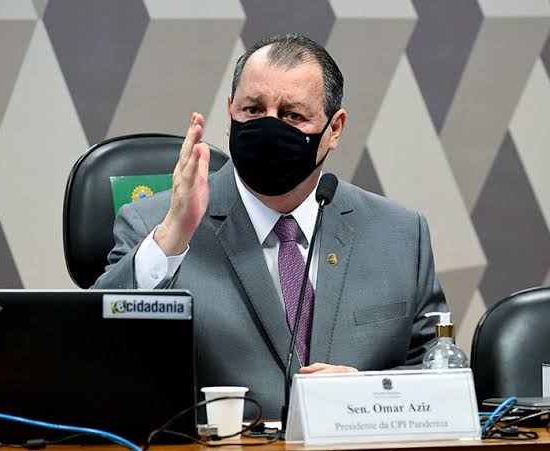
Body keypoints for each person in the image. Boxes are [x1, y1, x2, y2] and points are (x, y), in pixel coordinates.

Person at [94, 33, 448, 417]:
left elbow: (441, 375)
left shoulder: (399, 234)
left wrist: (367, 393)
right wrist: (172, 237)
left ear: (334, 128)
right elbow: (96, 351)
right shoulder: (155, 226)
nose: (270, 128)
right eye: (253, 110)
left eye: (293, 115)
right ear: (230, 113)